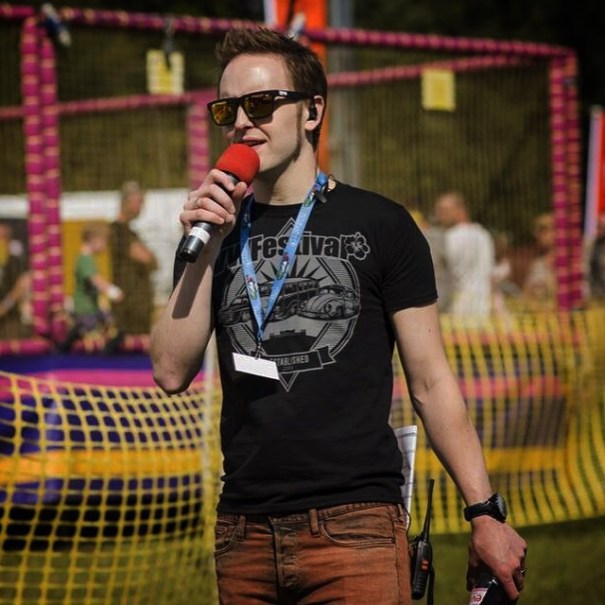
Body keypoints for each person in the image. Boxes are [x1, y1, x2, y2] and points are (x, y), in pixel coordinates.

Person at [151, 28, 526, 605]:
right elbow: (171, 371)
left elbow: (430, 381)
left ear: (312, 111)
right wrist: (202, 249)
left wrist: (485, 512)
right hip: (244, 529)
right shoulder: (213, 231)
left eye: (262, 103)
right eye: (227, 109)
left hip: (355, 525)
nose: (242, 122)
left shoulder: (382, 224)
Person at [57, 222, 123, 352]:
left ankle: (75, 337)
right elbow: (95, 279)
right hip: (84, 307)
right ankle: (67, 343)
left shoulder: (87, 258)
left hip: (91, 306)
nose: (105, 246)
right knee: (90, 329)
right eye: (105, 242)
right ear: (94, 239)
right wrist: (112, 291)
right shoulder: (85, 259)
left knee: (106, 322)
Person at [108, 180, 158, 349]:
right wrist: (150, 258)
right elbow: (146, 258)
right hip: (129, 307)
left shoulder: (130, 232)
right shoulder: (118, 230)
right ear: (126, 202)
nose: (141, 207)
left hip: (138, 307)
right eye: (139, 202)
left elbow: (153, 261)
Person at [434, 191, 495, 319]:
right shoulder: (483, 234)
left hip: (457, 308)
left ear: (460, 210)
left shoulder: (448, 238)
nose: (439, 215)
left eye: (444, 210)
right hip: (482, 305)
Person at [0, 222, 31, 340]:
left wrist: (5, 305)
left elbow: (23, 283)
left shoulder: (14, 261)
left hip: (10, 318)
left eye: (2, 238)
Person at [523, 212, 556, 311]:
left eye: (543, 230)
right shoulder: (537, 263)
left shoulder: (569, 263)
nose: (537, 235)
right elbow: (527, 295)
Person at [588, 212, 605, 301]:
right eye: (598, 226)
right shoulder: (592, 245)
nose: (599, 230)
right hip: (596, 294)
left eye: (602, 227)